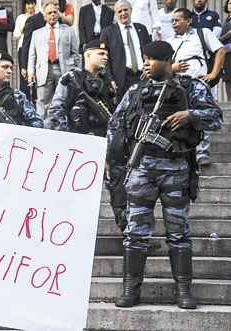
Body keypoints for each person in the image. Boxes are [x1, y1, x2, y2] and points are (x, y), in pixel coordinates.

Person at [108, 41, 222, 310]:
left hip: (175, 168)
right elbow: (115, 125)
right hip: (141, 169)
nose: (146, 63)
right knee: (135, 232)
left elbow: (216, 118)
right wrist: (113, 162)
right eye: (145, 59)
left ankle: (183, 291)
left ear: (167, 61)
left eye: (151, 59)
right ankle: (130, 290)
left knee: (179, 232)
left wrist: (190, 115)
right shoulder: (136, 90)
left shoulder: (191, 87)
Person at [169, 8, 225, 166]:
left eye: (177, 20)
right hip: (177, 85)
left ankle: (202, 153)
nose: (174, 23)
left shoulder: (203, 33)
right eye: (172, 21)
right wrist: (173, 68)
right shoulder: (170, 40)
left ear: (188, 21)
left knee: (201, 114)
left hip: (198, 83)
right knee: (180, 118)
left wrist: (213, 74)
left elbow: (220, 50)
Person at [48, 39, 115, 137]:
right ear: (87, 55)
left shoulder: (107, 83)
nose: (105, 58)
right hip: (76, 137)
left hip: (100, 139)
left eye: (106, 55)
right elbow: (56, 110)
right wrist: (65, 135)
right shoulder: (71, 78)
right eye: (101, 54)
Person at [28, 1, 80, 119]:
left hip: (64, 69)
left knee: (65, 99)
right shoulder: (37, 33)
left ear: (58, 14)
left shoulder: (69, 31)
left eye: (55, 12)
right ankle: (41, 130)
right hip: (44, 71)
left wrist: (77, 72)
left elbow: (76, 54)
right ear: (44, 16)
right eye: (49, 13)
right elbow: (32, 55)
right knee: (42, 102)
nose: (52, 15)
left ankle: (64, 128)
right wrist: (31, 72)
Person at [100, 0, 151, 98]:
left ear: (131, 10)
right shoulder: (107, 32)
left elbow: (150, 52)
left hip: (143, 76)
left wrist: (149, 67)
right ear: (115, 14)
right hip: (122, 79)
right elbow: (105, 60)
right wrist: (110, 80)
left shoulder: (142, 28)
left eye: (125, 10)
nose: (123, 13)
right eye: (119, 11)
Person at [0, 50, 43, 128]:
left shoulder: (18, 96)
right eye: (5, 67)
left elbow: (37, 123)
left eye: (11, 68)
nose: (10, 71)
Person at [14, 0, 36, 100]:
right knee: (24, 76)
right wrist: (26, 25)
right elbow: (16, 34)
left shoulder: (38, 17)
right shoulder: (21, 17)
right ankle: (24, 102)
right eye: (28, 3)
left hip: (36, 48)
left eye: (32, 3)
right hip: (23, 48)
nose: (30, 6)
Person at [221, 0, 231, 101]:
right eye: (230, 3)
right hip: (227, 53)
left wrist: (221, 38)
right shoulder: (227, 20)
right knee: (227, 79)